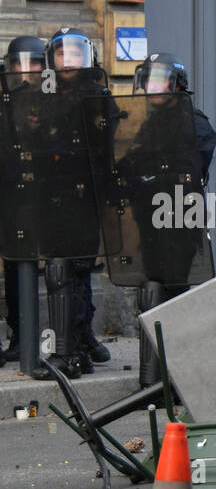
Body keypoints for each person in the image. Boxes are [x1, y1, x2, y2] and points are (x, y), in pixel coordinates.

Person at [129, 52, 216, 386]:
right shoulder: (150, 122)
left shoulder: (194, 122)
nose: (153, 89)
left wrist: (159, 175)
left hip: (180, 218)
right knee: (151, 287)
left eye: (160, 81)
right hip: (150, 219)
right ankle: (151, 379)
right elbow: (136, 159)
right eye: (149, 81)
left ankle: (177, 375)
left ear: (177, 85)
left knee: (175, 290)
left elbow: (192, 168)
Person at [34, 28, 113, 380]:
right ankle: (79, 345)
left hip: (84, 198)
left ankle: (75, 351)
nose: (69, 61)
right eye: (63, 54)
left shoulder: (97, 95)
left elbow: (103, 144)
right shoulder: (43, 95)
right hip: (50, 199)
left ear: (87, 57)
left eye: (75, 54)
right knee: (62, 271)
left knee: (71, 270)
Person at [1, 35, 46, 365]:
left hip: (46, 192)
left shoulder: (53, 95)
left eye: (33, 63)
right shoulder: (4, 97)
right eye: (19, 64)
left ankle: (71, 337)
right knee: (16, 264)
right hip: (9, 192)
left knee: (64, 268)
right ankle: (19, 335)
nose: (26, 71)